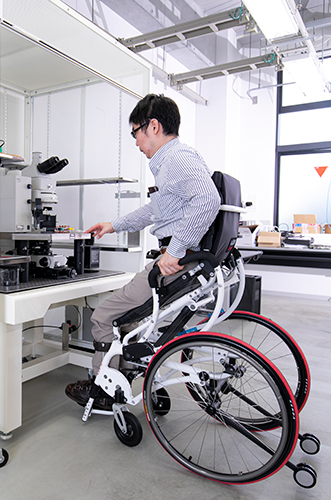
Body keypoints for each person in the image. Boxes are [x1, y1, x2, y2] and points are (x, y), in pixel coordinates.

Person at [65, 93, 221, 410]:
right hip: (182, 263)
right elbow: (155, 211)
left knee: (103, 316)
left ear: (152, 126)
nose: (136, 142)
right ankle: (126, 375)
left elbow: (208, 199)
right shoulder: (174, 162)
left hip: (174, 265)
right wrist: (114, 225)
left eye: (135, 132)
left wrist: (174, 251)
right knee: (129, 322)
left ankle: (103, 390)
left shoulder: (177, 159)